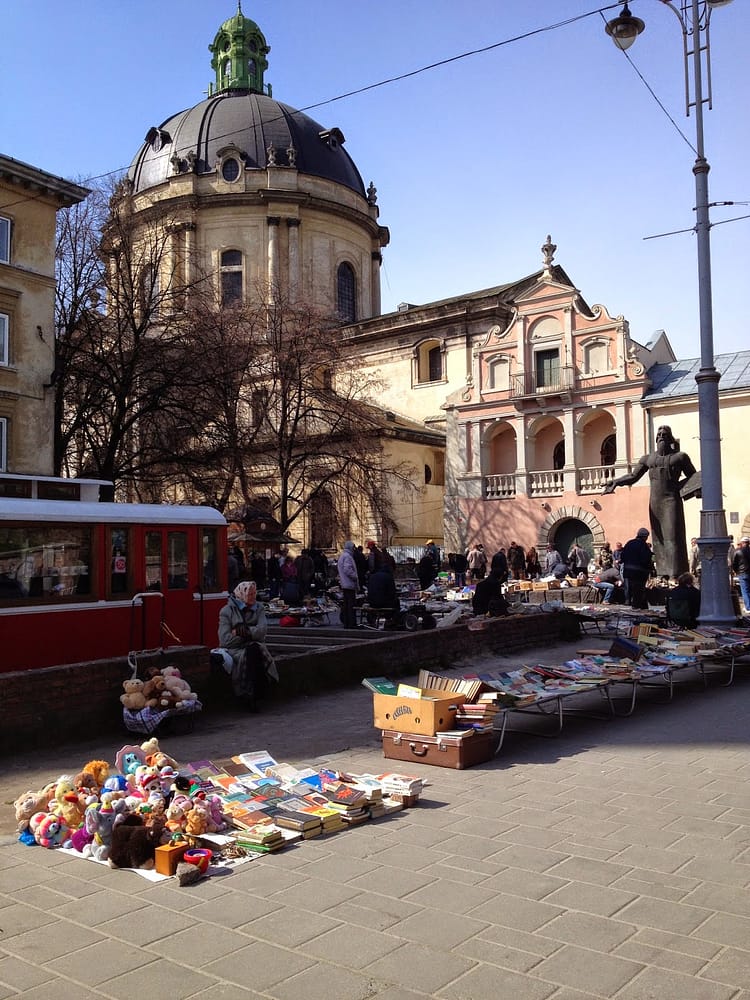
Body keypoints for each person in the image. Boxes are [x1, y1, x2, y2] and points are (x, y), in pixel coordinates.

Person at [603, 425, 697, 579]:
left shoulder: (680, 457)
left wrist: (681, 488)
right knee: (658, 537)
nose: (661, 436)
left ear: (670, 438)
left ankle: (675, 575)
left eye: (665, 434)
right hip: (655, 501)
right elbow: (633, 476)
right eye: (659, 434)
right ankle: (662, 573)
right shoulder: (648, 458)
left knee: (672, 537)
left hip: (671, 499)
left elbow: (693, 477)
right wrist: (616, 482)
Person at [217, 581, 277, 709]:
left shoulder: (259, 608)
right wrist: (249, 634)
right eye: (250, 594)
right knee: (252, 653)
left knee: (254, 650)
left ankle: (252, 695)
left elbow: (262, 631)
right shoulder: (226, 611)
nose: (253, 597)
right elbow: (224, 640)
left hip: (255, 646)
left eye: (254, 593)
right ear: (241, 594)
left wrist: (243, 632)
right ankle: (254, 694)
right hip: (235, 650)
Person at [621, 528, 653, 609]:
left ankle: (638, 605)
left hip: (628, 571)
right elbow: (645, 559)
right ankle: (637, 608)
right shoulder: (643, 545)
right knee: (639, 591)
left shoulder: (629, 543)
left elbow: (622, 556)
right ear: (645, 536)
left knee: (631, 590)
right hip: (639, 572)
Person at [337, 541, 360, 628]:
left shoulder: (342, 556)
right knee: (351, 605)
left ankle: (347, 623)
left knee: (346, 605)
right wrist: (355, 577)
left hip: (345, 584)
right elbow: (347, 570)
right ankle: (351, 623)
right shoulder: (348, 557)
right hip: (349, 584)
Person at [732, 536, 750, 613]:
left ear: (742, 543)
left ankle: (748, 607)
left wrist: (736, 571)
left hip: (742, 573)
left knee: (744, 590)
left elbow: (734, 563)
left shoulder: (738, 551)